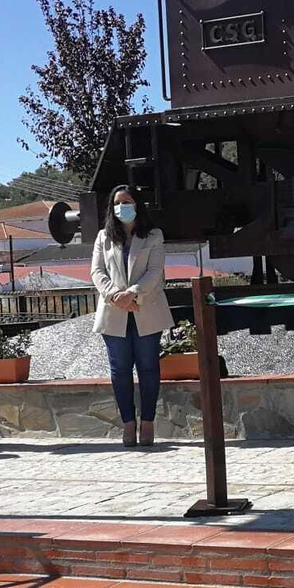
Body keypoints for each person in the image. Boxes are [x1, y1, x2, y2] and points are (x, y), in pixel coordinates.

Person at [91, 186, 170, 447]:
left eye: (127, 201)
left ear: (137, 205)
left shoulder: (154, 235)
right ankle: (128, 423)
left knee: (148, 368)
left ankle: (147, 422)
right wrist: (116, 296)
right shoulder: (104, 237)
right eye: (117, 203)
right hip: (114, 312)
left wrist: (133, 295)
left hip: (146, 308)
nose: (122, 206)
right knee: (120, 370)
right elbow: (97, 272)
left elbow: (156, 271)